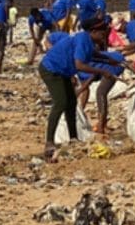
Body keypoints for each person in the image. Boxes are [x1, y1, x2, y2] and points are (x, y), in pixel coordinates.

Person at [38, 18, 117, 161]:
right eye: (101, 33)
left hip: (63, 71)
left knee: (72, 104)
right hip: (51, 69)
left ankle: (73, 138)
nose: (103, 36)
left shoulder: (86, 40)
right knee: (61, 102)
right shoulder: (82, 40)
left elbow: (91, 54)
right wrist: (102, 71)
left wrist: (107, 60)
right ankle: (49, 141)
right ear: (93, 31)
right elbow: (80, 65)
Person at [75, 49, 126, 134]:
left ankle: (101, 126)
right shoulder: (78, 66)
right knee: (100, 92)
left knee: (101, 93)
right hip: (114, 60)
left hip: (113, 65)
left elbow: (87, 85)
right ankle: (102, 124)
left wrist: (78, 96)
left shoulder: (80, 67)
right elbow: (85, 89)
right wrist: (80, 109)